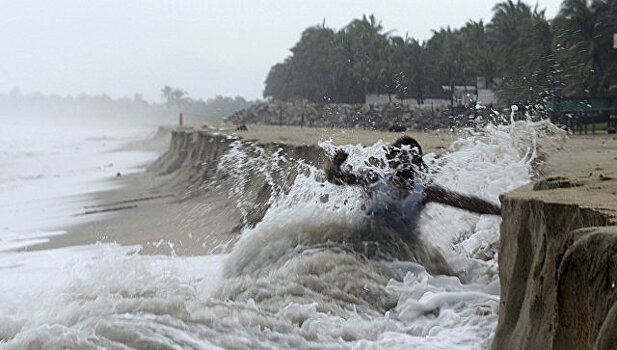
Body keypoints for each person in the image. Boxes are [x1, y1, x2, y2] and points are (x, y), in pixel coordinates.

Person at [326, 136, 500, 241]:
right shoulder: (373, 179)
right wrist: (335, 164)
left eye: (411, 156)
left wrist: (501, 211)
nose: (405, 159)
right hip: (366, 246)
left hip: (401, 255)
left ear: (419, 164)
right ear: (389, 159)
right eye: (400, 155)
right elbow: (334, 178)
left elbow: (465, 202)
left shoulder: (424, 192)